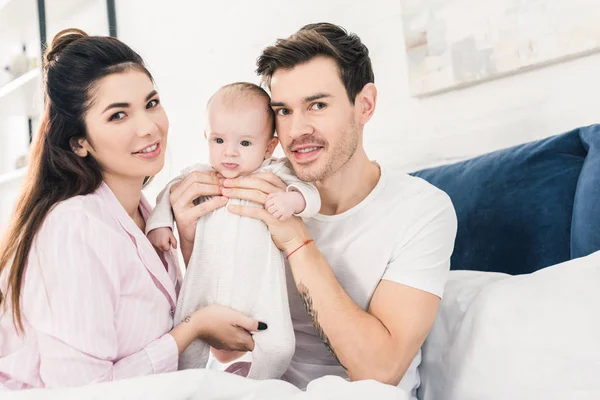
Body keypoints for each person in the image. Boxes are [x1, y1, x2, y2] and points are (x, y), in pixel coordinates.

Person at [169, 22, 458, 399]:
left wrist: (297, 241)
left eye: (317, 105)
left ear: (365, 104)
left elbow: (380, 369)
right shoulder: (253, 186)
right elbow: (224, 336)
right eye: (284, 111)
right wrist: (192, 241)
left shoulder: (421, 209)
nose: (296, 130)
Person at [0, 29, 264, 390]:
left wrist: (189, 246)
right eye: (118, 116)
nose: (148, 127)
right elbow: (79, 391)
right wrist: (194, 328)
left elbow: (194, 357)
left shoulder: (148, 214)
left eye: (151, 103)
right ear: (79, 143)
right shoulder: (74, 226)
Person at [146, 82, 320, 379]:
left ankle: (257, 388)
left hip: (260, 284)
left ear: (269, 146)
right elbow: (167, 194)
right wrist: (159, 225)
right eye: (218, 140)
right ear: (206, 137)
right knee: (186, 339)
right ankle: (187, 388)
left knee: (278, 347)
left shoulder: (274, 174)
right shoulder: (200, 176)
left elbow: (311, 195)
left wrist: (291, 200)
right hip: (204, 278)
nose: (229, 153)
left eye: (244, 143)